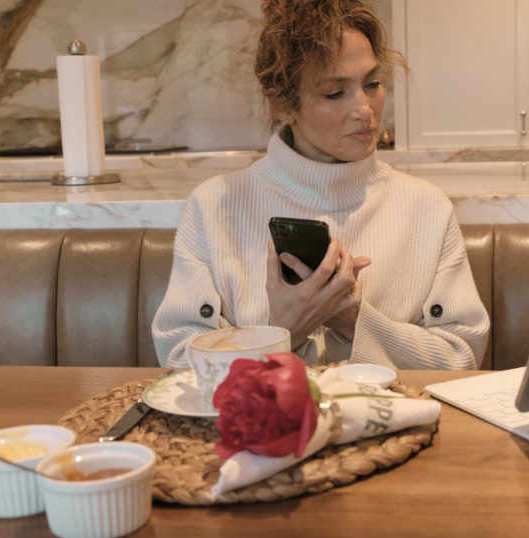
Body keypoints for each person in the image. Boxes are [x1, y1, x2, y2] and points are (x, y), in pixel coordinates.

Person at [152, 0, 489, 369]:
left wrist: (353, 320)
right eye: (334, 93)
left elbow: (462, 359)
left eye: (372, 83)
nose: (365, 108)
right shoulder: (213, 206)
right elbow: (178, 361)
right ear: (282, 104)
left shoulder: (427, 207)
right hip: (261, 428)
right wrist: (284, 331)